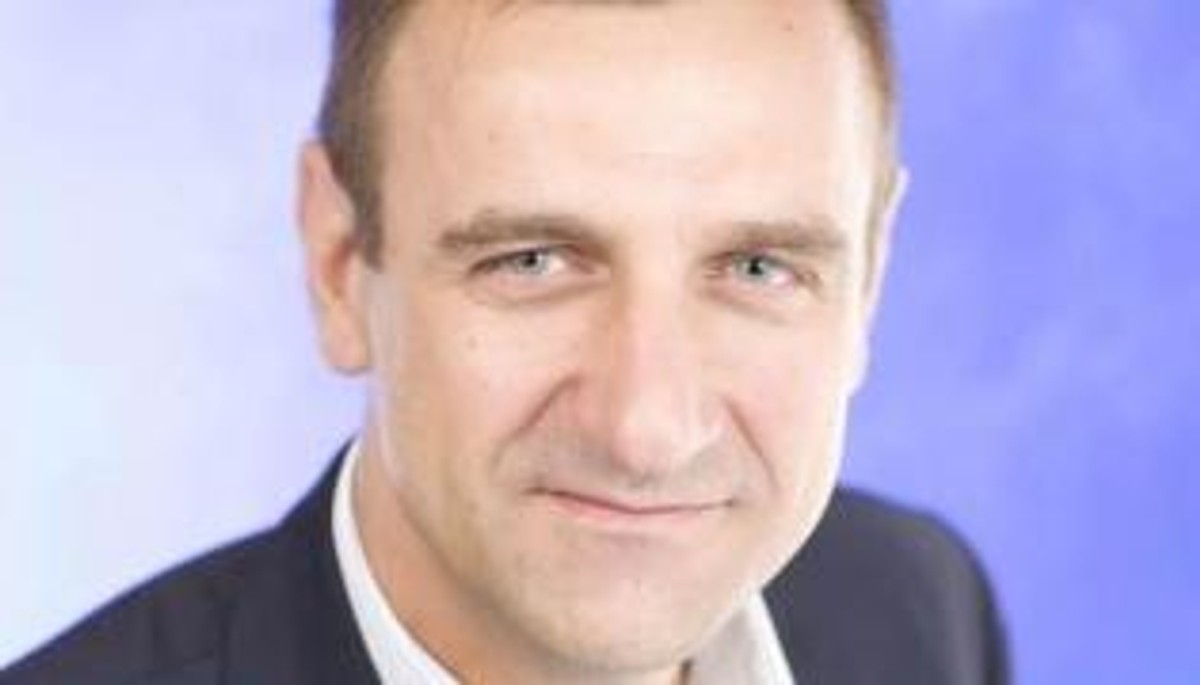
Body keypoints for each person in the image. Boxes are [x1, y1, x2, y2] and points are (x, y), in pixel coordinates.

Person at [2, 0, 1009, 683]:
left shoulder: (918, 609)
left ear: (867, 281)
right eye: (532, 261)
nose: (648, 430)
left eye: (757, 267)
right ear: (339, 262)